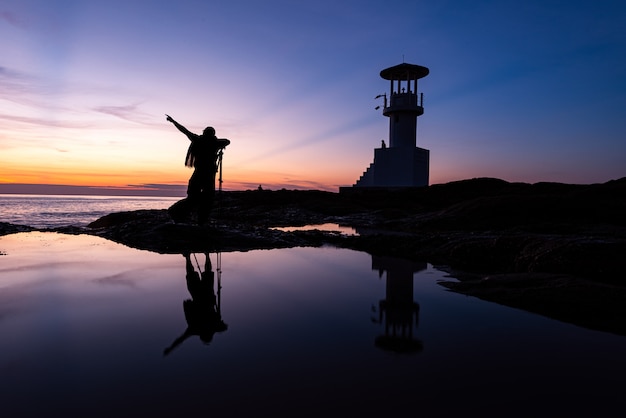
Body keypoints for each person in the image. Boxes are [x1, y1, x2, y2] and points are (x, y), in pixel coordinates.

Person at [166, 115, 230, 225]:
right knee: (207, 197)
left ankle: (178, 212)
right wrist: (218, 145)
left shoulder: (198, 140)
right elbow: (227, 141)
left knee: (194, 195)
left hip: (200, 172)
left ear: (204, 133)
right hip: (209, 174)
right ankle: (201, 219)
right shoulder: (216, 142)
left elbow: (184, 130)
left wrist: (173, 121)